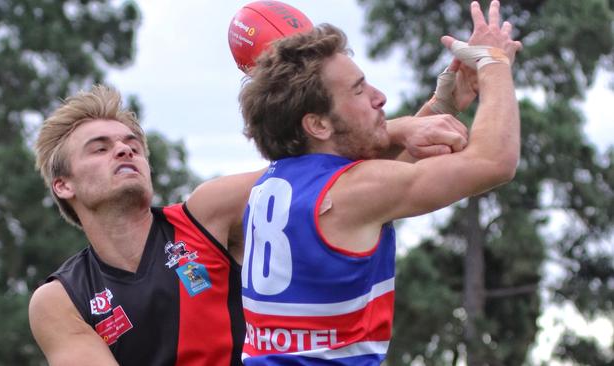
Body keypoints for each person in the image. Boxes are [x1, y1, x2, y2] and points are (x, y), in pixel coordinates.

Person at [26, 76, 474, 364]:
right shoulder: (60, 299)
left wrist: (437, 106)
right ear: (63, 185)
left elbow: (335, 179)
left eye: (131, 144)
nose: (124, 150)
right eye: (100, 148)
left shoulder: (207, 215)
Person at [238, 1, 521, 365]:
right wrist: (494, 63)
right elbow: (494, 161)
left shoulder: (274, 183)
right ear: (318, 125)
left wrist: (444, 103)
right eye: (358, 90)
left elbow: (377, 173)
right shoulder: (352, 192)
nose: (379, 96)